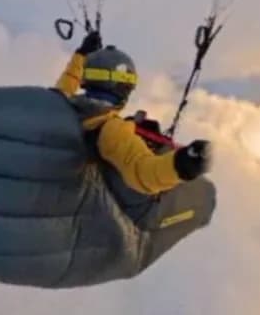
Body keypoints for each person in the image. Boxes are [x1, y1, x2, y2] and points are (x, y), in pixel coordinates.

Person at [53, 30, 211, 194]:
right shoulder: (111, 129)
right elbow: (142, 171)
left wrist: (81, 55)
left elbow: (65, 88)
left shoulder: (62, 106)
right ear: (125, 87)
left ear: (86, 80)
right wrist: (184, 164)